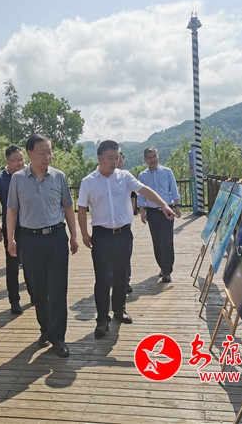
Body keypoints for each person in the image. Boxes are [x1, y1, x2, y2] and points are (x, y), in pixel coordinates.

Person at [78, 141, 176, 338]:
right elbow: (81, 208)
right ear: (100, 158)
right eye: (111, 158)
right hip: (101, 235)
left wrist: (164, 204)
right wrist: (84, 234)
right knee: (102, 278)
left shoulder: (125, 177)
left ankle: (119, 309)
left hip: (123, 234)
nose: (115, 161)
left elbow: (145, 190)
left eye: (117, 157)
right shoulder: (88, 181)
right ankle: (102, 319)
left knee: (121, 275)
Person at [6, 134, 79, 357]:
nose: (48, 156)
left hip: (56, 237)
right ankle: (45, 329)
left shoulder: (59, 177)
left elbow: (68, 207)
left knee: (58, 288)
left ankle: (58, 336)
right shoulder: (18, 179)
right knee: (38, 289)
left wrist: (74, 235)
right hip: (30, 239)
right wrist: (10, 238)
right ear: (30, 154)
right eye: (42, 153)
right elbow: (12, 210)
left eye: (50, 152)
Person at [0, 145, 34, 315]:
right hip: (11, 228)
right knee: (13, 266)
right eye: (15, 160)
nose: (19, 163)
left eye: (21, 159)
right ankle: (14, 300)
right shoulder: (0, 178)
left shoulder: (29, 174)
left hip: (31, 227)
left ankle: (34, 295)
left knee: (31, 264)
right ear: (7, 161)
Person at [137, 146, 182, 283]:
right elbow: (141, 195)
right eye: (149, 157)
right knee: (157, 241)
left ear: (158, 156)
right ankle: (162, 266)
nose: (152, 160)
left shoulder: (167, 172)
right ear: (145, 159)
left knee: (166, 241)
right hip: (152, 212)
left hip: (167, 210)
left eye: (154, 156)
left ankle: (167, 271)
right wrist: (142, 211)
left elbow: (173, 189)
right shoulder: (142, 176)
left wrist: (177, 206)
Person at [117, 152, 136, 293]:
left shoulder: (127, 177)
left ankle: (125, 281)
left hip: (124, 223)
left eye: (120, 160)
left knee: (125, 254)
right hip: (108, 225)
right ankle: (113, 278)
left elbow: (134, 197)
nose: (118, 162)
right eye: (115, 159)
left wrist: (130, 217)